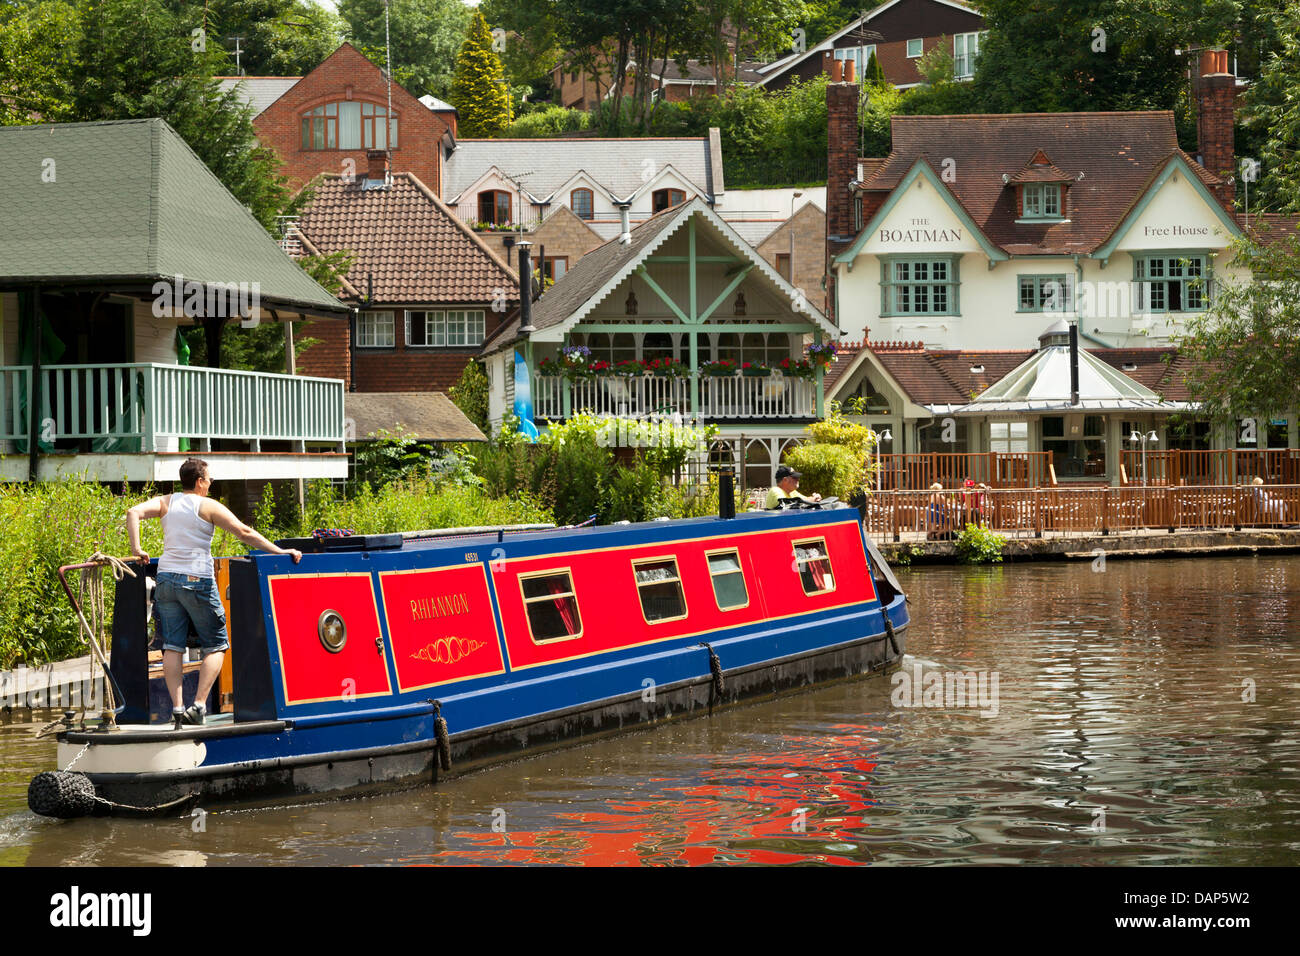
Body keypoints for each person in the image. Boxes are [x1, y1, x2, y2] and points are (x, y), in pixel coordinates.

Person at [126, 458, 302, 726]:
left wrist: (137, 550)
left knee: (172, 646)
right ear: (199, 482)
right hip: (198, 579)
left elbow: (132, 512)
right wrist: (280, 551)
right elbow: (244, 532)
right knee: (217, 644)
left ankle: (176, 709)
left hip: (166, 579)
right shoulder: (207, 506)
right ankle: (197, 707)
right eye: (209, 480)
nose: (210, 484)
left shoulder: (165, 502)